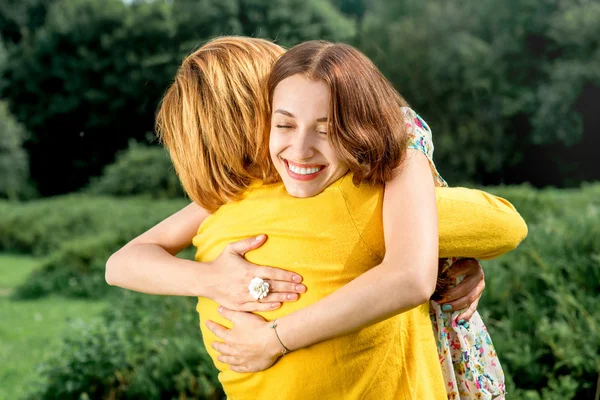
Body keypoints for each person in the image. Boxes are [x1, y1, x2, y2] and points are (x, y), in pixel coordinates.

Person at [107, 37, 526, 399]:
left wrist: (211, 279)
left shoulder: (215, 215)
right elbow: (504, 224)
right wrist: (411, 157)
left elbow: (120, 264)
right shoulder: (361, 200)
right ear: (263, 112)